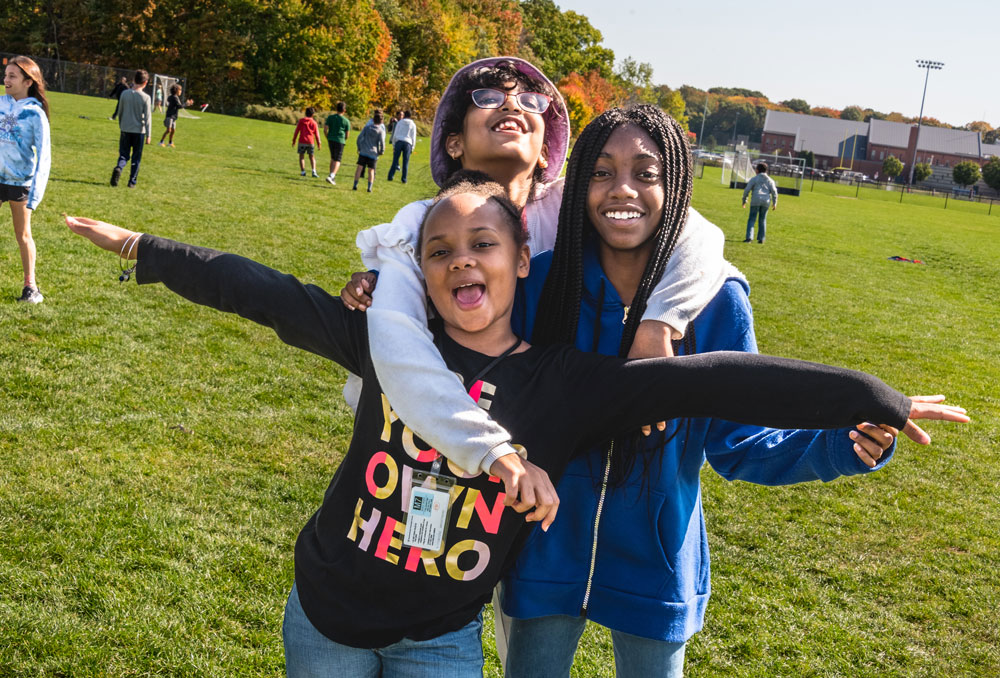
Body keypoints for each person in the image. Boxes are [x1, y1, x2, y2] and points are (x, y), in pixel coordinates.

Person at [64, 177, 966, 677]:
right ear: (417, 272)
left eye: (483, 245)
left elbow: (718, 380)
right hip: (328, 614)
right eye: (439, 249)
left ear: (520, 260)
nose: (462, 260)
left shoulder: (569, 385)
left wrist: (870, 397)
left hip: (445, 635)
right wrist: (148, 248)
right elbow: (257, 292)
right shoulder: (388, 340)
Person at [342, 56, 728, 528]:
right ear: (455, 142)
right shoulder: (421, 220)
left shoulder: (571, 204)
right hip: (412, 429)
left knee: (478, 562)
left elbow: (696, 231)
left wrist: (660, 320)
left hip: (526, 437)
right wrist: (382, 284)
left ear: (548, 150)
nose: (510, 104)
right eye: (487, 98)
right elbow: (397, 342)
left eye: (530, 101)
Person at [1, 56, 51, 304]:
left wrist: (36, 193)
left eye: (12, 76)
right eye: (6, 74)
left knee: (22, 235)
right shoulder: (1, 104)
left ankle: (30, 286)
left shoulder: (35, 115)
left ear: (28, 81)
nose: (6, 80)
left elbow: (44, 156)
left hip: (20, 183)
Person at [111, 70, 152, 189]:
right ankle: (132, 182)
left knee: (123, 154)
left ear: (134, 80)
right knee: (136, 157)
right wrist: (149, 135)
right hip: (139, 131)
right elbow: (148, 117)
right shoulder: (146, 98)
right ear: (145, 83)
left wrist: (122, 126)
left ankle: (119, 167)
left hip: (125, 129)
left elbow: (120, 111)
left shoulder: (124, 94)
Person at [742, 161, 778, 243]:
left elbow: (747, 190)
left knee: (752, 219)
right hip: (766, 201)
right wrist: (774, 203)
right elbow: (774, 192)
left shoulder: (754, 179)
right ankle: (761, 239)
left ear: (757, 170)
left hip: (756, 199)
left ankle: (749, 238)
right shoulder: (770, 180)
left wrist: (744, 200)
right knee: (762, 219)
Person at [353, 110, 385, 192]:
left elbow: (359, 138)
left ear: (373, 119)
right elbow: (382, 142)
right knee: (371, 171)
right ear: (381, 121)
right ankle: (369, 187)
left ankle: (355, 185)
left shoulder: (367, 128)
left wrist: (359, 147)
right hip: (373, 153)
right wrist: (381, 151)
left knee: (359, 168)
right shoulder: (380, 131)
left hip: (364, 151)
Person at [323, 101, 351, 185]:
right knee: (338, 159)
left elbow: (325, 129)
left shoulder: (330, 117)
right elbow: (347, 134)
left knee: (333, 158)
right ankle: (332, 175)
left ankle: (331, 176)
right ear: (344, 110)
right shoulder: (346, 121)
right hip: (340, 140)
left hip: (331, 139)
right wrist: (344, 139)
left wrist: (328, 137)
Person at [387, 110, 417, 183]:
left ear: (404, 115)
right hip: (408, 143)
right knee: (405, 162)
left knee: (395, 160)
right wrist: (412, 147)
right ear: (410, 116)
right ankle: (404, 179)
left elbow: (395, 133)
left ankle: (390, 176)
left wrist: (394, 144)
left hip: (399, 141)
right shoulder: (412, 124)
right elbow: (413, 136)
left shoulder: (400, 122)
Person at [292, 107, 321, 177]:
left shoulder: (301, 121)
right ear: (313, 114)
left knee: (301, 156)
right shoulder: (314, 123)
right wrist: (319, 143)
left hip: (302, 141)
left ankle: (303, 171)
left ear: (305, 113)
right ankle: (314, 171)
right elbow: (317, 134)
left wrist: (294, 140)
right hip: (310, 142)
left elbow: (296, 131)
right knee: (312, 157)